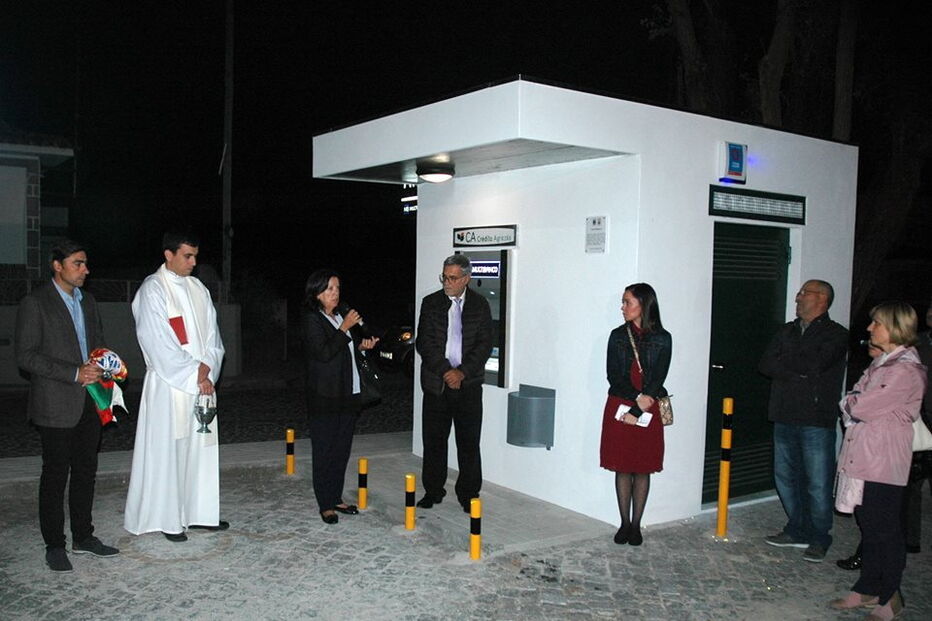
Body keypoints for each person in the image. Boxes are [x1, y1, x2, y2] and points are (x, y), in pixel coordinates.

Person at [15, 240, 120, 572]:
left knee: (86, 471)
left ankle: (83, 537)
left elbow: (97, 343)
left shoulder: (88, 301)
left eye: (85, 263)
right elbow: (26, 356)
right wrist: (74, 373)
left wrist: (107, 364)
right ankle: (55, 545)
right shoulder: (36, 302)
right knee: (55, 475)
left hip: (90, 400)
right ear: (57, 265)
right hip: (55, 403)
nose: (85, 270)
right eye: (78, 263)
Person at [124, 231, 226, 542]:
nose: (193, 263)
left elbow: (213, 337)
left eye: (195, 256)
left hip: (201, 384)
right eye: (187, 256)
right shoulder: (152, 290)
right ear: (169, 255)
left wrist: (207, 368)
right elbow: (157, 341)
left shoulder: (198, 289)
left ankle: (199, 513)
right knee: (169, 452)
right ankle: (168, 519)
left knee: (200, 451)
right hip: (169, 386)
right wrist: (196, 373)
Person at [829, 302, 926, 619]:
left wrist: (853, 402)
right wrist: (854, 401)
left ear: (896, 327)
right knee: (869, 526)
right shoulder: (883, 363)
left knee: (885, 529)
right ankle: (868, 587)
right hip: (865, 455)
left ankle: (891, 596)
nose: (870, 328)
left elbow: (859, 406)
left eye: (877, 323)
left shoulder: (905, 370)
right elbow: (853, 398)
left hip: (883, 459)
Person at [759, 279, 848, 562]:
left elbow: (815, 365)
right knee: (785, 476)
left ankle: (820, 536)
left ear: (822, 298)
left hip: (815, 418)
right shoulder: (787, 330)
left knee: (818, 482)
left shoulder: (836, 334)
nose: (797, 297)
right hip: (783, 414)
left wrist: (787, 364)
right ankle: (796, 529)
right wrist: (796, 370)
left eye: (804, 293)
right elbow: (766, 364)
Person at [415, 254, 493, 513]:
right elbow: (424, 343)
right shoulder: (431, 303)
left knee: (469, 443)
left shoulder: (480, 305)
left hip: (468, 386)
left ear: (466, 279)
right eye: (444, 277)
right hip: (436, 384)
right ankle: (433, 491)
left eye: (452, 278)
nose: (446, 283)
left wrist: (462, 373)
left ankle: (468, 494)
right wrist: (447, 372)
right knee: (434, 442)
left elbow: (484, 345)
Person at [302, 269, 379, 524]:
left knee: (341, 451)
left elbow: (344, 352)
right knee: (324, 451)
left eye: (337, 288)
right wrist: (345, 327)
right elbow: (323, 353)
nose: (335, 293)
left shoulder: (337, 317)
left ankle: (335, 496)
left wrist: (361, 348)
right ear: (317, 293)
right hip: (325, 397)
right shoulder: (313, 320)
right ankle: (325, 504)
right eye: (329, 289)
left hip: (348, 394)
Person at [600, 283, 672, 546]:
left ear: (643, 304)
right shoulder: (617, 336)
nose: (622, 307)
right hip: (621, 405)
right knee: (622, 465)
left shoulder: (663, 338)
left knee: (642, 467)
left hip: (648, 408)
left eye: (627, 302)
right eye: (623, 302)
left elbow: (658, 377)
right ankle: (624, 523)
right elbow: (613, 376)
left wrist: (638, 408)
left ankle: (636, 525)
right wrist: (633, 401)